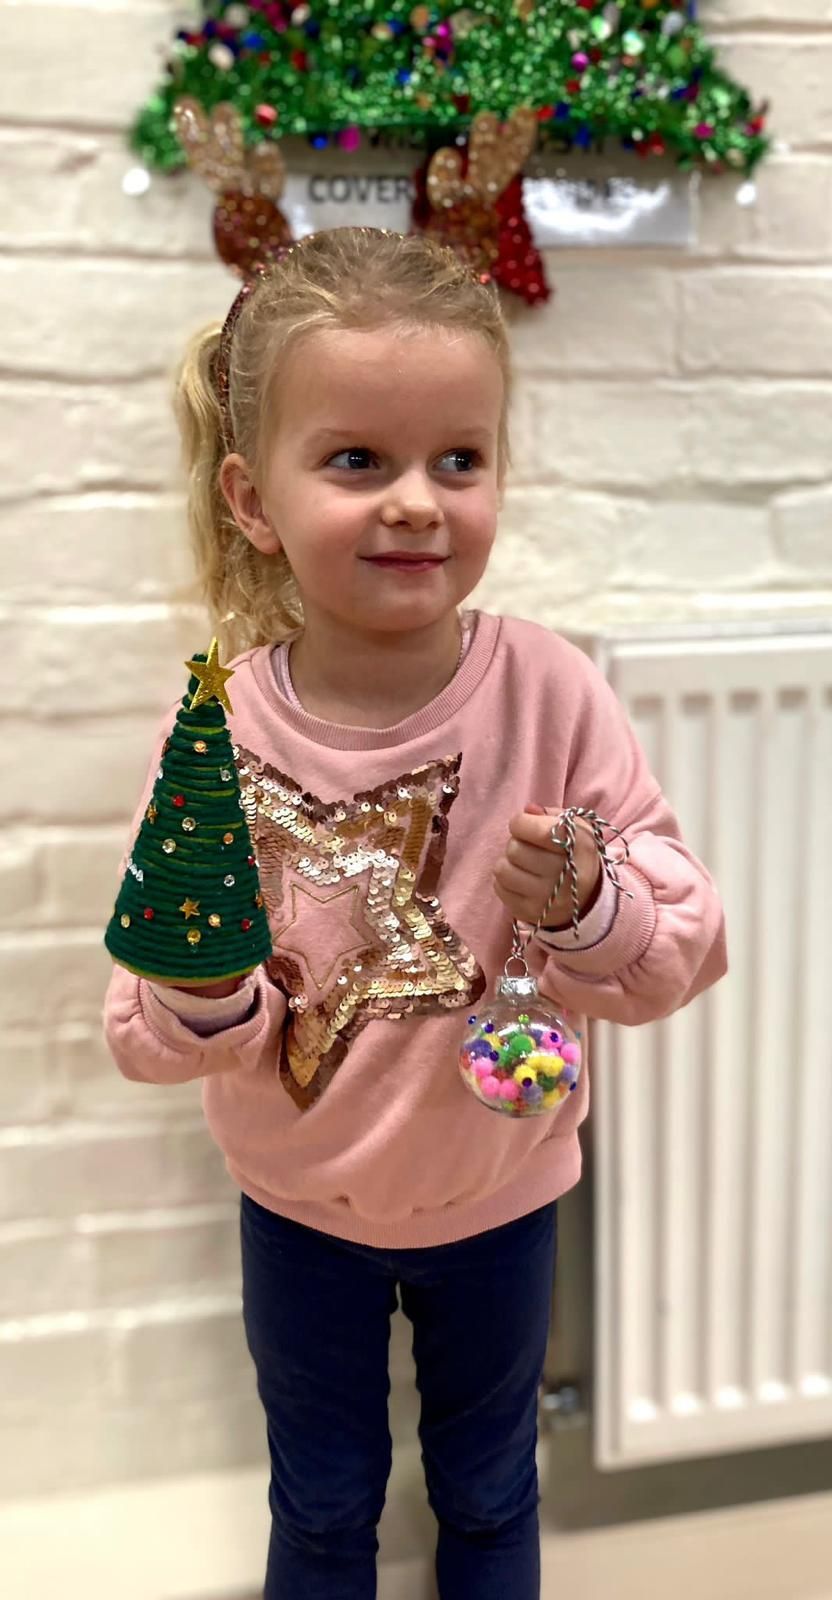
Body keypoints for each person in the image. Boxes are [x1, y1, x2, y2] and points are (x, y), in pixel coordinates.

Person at [104, 227, 726, 1600]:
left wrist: (589, 904)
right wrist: (208, 988)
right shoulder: (217, 724)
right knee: (323, 1506)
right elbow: (146, 1031)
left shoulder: (551, 691)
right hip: (298, 1207)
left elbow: (688, 946)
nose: (416, 505)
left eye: (460, 459)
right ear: (252, 495)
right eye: (356, 462)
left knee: (491, 1492)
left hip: (502, 1195)